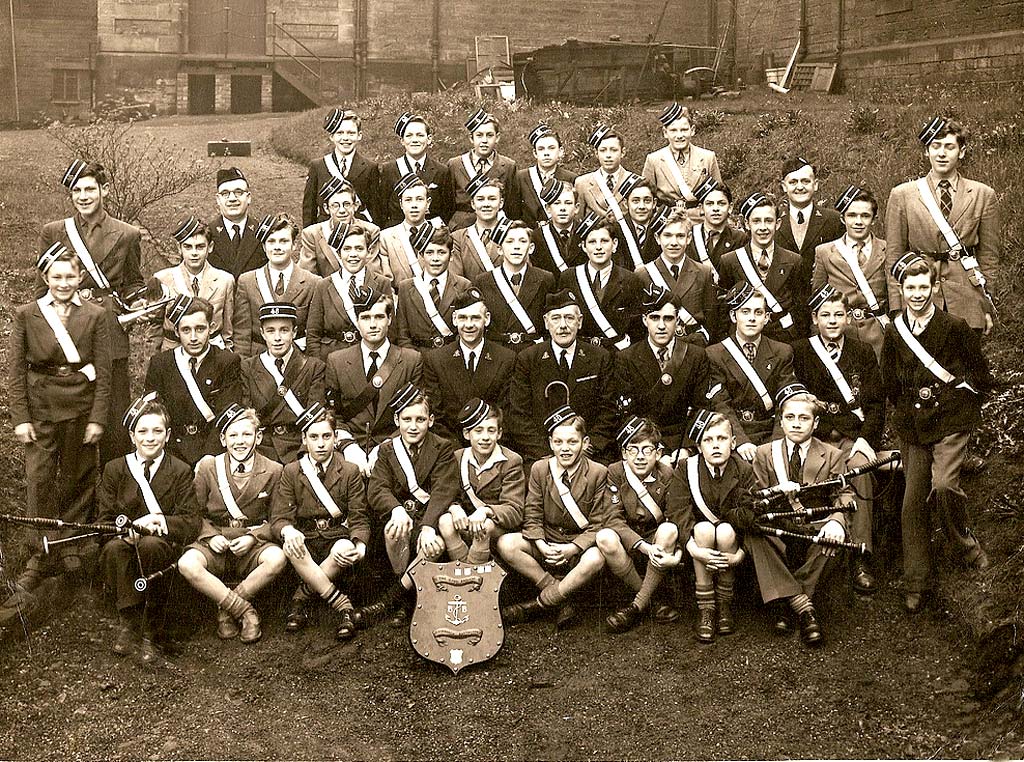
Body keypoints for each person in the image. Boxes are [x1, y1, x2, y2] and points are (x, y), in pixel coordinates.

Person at [881, 253, 994, 613]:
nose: (917, 294)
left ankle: (967, 548)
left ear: (933, 288)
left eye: (923, 287)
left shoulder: (955, 326)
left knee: (943, 486)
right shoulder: (894, 331)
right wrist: (905, 412)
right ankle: (917, 580)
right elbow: (890, 382)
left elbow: (981, 376)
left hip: (950, 422)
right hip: (914, 428)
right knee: (911, 504)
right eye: (909, 288)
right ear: (901, 290)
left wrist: (959, 400)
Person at [9, 244, 111, 590]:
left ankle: (71, 544)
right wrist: (20, 417)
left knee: (78, 475)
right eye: (57, 276)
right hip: (41, 407)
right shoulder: (27, 313)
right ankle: (40, 550)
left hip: (80, 404)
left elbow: (105, 371)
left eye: (70, 276)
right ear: (45, 278)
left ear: (80, 277)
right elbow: (15, 371)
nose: (64, 283)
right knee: (39, 478)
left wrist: (97, 418)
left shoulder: (95, 315)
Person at [38, 160, 142, 464]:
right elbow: (39, 289)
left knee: (113, 420)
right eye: (76, 190)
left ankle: (115, 495)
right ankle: (76, 502)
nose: (83, 196)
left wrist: (136, 304)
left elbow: (133, 282)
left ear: (104, 190)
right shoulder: (54, 232)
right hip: (66, 327)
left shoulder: (127, 234)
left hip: (108, 328)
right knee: (73, 423)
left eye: (89, 189)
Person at [793, 285, 884, 594]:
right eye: (825, 315)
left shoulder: (862, 351)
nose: (832, 321)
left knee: (860, 470)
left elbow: (874, 404)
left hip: (852, 437)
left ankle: (860, 555)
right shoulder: (801, 352)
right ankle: (809, 556)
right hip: (815, 439)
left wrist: (865, 439)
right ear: (815, 319)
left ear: (848, 318)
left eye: (839, 314)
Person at [748, 384, 854, 647]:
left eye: (804, 418)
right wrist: (775, 491)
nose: (796, 424)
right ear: (781, 421)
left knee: (831, 541)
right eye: (790, 418)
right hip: (778, 526)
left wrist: (836, 522)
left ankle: (785, 601)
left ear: (816, 422)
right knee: (755, 535)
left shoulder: (832, 454)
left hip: (813, 526)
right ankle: (805, 610)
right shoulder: (764, 453)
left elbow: (845, 494)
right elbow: (754, 498)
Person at [98, 395, 201, 663]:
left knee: (151, 545)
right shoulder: (115, 469)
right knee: (114, 549)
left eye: (157, 431)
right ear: (132, 436)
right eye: (142, 431)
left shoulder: (180, 470)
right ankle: (130, 622)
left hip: (162, 545)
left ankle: (151, 630)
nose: (150, 438)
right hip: (124, 540)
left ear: (167, 435)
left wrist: (160, 522)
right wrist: (123, 530)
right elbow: (103, 520)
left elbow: (191, 521)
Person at [179, 405, 286, 644]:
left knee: (277, 559)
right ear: (222, 439)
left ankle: (227, 608)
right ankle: (244, 610)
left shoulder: (274, 470)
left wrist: (253, 537)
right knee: (187, 564)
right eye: (233, 435)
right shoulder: (208, 467)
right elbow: (192, 511)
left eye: (247, 434)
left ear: (258, 437)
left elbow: (278, 518)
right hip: (215, 538)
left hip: (251, 541)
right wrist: (208, 536)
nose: (240, 441)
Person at [885, 116, 1000, 336]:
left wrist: (985, 306)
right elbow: (894, 255)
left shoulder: (983, 195)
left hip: (967, 298)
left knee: (965, 366)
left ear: (962, 152)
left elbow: (989, 257)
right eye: (935, 146)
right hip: (919, 296)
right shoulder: (903, 194)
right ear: (926, 152)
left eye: (949, 147)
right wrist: (897, 306)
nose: (941, 153)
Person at [497, 406, 608, 629]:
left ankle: (540, 604)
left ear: (585, 443)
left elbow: (599, 524)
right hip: (547, 539)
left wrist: (573, 548)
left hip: (579, 544)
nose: (565, 449)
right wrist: (540, 543)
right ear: (550, 443)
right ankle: (557, 590)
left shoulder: (598, 472)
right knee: (506, 544)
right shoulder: (540, 469)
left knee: (597, 558)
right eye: (558, 442)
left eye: (572, 442)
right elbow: (533, 514)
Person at [359, 384, 460, 626]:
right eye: (407, 419)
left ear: (431, 420)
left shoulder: (443, 447)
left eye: (420, 419)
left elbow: (443, 490)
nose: (413, 426)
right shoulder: (387, 450)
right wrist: (396, 509)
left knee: (433, 546)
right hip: (401, 515)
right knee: (394, 531)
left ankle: (397, 598)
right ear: (397, 419)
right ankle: (405, 598)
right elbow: (378, 488)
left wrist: (428, 526)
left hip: (428, 515)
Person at [271, 402, 370, 641]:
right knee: (290, 546)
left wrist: (360, 545)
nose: (321, 443)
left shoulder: (349, 470)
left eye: (327, 436)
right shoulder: (292, 471)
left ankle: (300, 598)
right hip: (306, 538)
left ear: (336, 438)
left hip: (336, 536)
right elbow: (279, 517)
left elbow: (358, 516)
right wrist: (287, 530)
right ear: (304, 439)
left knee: (345, 548)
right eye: (314, 437)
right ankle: (343, 605)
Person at [667, 410, 755, 643]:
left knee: (725, 530)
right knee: (704, 529)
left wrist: (741, 554)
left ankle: (724, 603)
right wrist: (693, 548)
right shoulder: (687, 468)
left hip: (730, 544)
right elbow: (678, 511)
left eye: (722, 438)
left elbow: (751, 516)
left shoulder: (743, 469)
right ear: (698, 446)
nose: (715, 446)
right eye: (708, 440)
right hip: (700, 542)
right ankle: (706, 608)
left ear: (733, 442)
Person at [507, 290, 617, 463]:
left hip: (590, 455)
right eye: (556, 318)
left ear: (579, 322)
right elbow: (519, 416)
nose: (563, 325)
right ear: (546, 322)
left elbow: (609, 411)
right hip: (541, 455)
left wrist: (587, 448)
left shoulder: (600, 357)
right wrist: (548, 454)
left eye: (569, 318)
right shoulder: (528, 358)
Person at [323, 286, 422, 476]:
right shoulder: (337, 360)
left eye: (379, 317)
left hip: (396, 446)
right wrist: (348, 446)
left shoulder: (411, 360)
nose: (373, 324)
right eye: (366, 318)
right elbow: (332, 413)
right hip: (349, 452)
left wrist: (388, 445)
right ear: (357, 322)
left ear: (390, 319)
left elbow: (414, 413)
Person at [613, 285, 718, 461]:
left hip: (683, 444)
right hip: (644, 447)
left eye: (668, 318)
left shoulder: (696, 355)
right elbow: (626, 414)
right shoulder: (626, 358)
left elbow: (701, 408)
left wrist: (687, 449)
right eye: (655, 318)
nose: (661, 325)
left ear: (677, 321)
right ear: (645, 320)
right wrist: (654, 449)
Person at [598, 418, 684, 634]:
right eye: (633, 449)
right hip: (631, 543)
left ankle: (635, 607)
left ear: (658, 452)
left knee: (669, 529)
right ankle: (651, 599)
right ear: (624, 453)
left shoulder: (667, 474)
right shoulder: (616, 472)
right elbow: (612, 517)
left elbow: (675, 517)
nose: (640, 457)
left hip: (658, 542)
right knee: (605, 537)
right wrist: (643, 547)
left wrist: (677, 555)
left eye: (647, 450)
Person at [144, 296, 242, 467]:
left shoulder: (227, 362)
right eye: (186, 330)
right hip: (172, 449)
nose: (194, 337)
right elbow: (153, 415)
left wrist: (208, 458)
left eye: (200, 329)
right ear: (176, 332)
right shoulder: (161, 364)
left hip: (212, 451)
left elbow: (228, 414)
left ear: (211, 328)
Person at [705, 284, 797, 459]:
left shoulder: (782, 351)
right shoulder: (715, 354)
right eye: (745, 312)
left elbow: (786, 403)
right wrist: (739, 441)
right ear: (733, 316)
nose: (752, 318)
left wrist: (777, 444)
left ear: (767, 317)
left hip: (771, 432)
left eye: (758, 312)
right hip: (734, 433)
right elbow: (720, 404)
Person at [438, 399, 525, 565]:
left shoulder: (511, 461)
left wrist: (486, 511)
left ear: (499, 434)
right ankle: (467, 569)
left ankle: (471, 578)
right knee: (445, 521)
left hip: (496, 528)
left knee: (485, 526)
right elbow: (443, 493)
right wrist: (454, 507)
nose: (485, 437)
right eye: (478, 431)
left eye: (491, 431)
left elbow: (515, 511)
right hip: (466, 525)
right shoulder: (457, 458)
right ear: (466, 434)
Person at [421, 288, 515, 441]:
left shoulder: (505, 359)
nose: (469, 325)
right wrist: (456, 452)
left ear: (487, 319)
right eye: (463, 318)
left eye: (475, 318)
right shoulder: (436, 359)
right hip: (451, 449)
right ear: (454, 319)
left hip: (491, 443)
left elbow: (506, 414)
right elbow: (436, 417)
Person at [240, 302, 326, 464]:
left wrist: (304, 454)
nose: (277, 338)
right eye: (270, 331)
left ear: (294, 332)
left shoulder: (313, 366)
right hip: (263, 448)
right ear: (262, 333)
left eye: (284, 330)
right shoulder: (249, 367)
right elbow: (247, 415)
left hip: (299, 447)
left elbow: (315, 418)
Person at [811, 186, 889, 361]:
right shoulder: (825, 252)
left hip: (879, 333)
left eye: (865, 216)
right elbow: (818, 300)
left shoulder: (888, 250)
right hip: (841, 333)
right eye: (852, 215)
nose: (858, 221)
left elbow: (895, 294)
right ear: (842, 218)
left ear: (874, 220)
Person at [718, 192, 802, 344]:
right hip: (744, 339)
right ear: (746, 224)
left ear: (778, 224)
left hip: (782, 340)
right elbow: (724, 311)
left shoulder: (793, 260)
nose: (763, 227)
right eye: (756, 221)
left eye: (768, 221)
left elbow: (800, 308)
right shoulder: (730, 261)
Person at [775, 157, 845, 334]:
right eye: (793, 182)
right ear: (784, 186)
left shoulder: (834, 221)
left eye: (805, 181)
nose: (800, 186)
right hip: (786, 315)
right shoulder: (774, 224)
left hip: (825, 311)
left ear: (816, 184)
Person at [233, 214, 321, 357]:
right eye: (271, 241)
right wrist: (244, 367)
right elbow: (242, 335)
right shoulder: (248, 281)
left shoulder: (313, 282)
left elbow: (313, 335)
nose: (277, 247)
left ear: (294, 245)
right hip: (258, 361)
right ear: (263, 246)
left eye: (284, 241)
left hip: (297, 359)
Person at [305, 220, 394, 360]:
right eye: (347, 249)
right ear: (339, 253)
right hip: (330, 358)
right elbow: (313, 334)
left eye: (359, 248)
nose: (353, 254)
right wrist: (319, 366)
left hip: (370, 357)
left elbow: (390, 329)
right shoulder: (323, 286)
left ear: (368, 252)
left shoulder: (382, 283)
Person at [150, 215, 235, 353]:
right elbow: (154, 329)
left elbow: (228, 330)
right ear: (179, 248)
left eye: (200, 247)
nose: (194, 253)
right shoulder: (163, 279)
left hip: (212, 351)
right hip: (173, 352)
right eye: (188, 247)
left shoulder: (225, 280)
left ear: (210, 247)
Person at [558, 215, 643, 351]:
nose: (598, 247)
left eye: (604, 241)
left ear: (614, 244)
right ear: (583, 246)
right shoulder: (569, 277)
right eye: (592, 242)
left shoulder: (630, 280)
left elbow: (637, 328)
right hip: (580, 353)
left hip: (616, 353)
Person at [634, 212, 716, 345]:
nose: (674, 243)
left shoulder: (703, 272)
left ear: (689, 238)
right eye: (667, 235)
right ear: (657, 238)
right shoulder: (643, 274)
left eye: (680, 236)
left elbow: (711, 320)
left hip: (693, 348)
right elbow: (638, 324)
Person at [476, 218, 555, 353]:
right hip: (497, 353)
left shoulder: (545, 279)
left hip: (533, 352)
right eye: (510, 241)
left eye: (522, 241)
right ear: (499, 249)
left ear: (531, 248)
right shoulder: (483, 281)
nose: (516, 246)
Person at [394, 224, 472, 350]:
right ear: (422, 255)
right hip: (418, 358)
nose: (435, 258)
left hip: (451, 356)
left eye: (441, 252)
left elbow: (466, 329)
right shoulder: (406, 287)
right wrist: (413, 359)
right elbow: (403, 334)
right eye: (429, 252)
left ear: (451, 256)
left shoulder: (463, 285)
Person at [642, 103, 723, 220]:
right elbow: (645, 196)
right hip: (667, 220)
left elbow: (719, 193)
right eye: (673, 130)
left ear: (692, 130)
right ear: (665, 133)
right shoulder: (654, 159)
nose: (679, 135)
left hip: (700, 219)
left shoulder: (708, 157)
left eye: (684, 130)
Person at [302, 108, 379, 227]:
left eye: (351, 133)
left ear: (359, 135)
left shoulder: (370, 167)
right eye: (340, 133)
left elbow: (375, 210)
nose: (345, 138)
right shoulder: (318, 166)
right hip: (325, 232)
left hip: (358, 233)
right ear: (331, 136)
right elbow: (309, 209)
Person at [378, 112, 454, 226]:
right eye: (409, 135)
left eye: (420, 135)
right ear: (402, 140)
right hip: (399, 235)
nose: (414, 140)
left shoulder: (442, 171)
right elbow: (382, 211)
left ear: (429, 139)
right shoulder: (389, 170)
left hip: (431, 235)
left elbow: (448, 209)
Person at [447, 108, 518, 229]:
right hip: (462, 227)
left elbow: (511, 206)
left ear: (497, 137)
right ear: (471, 138)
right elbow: (447, 203)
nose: (484, 140)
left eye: (489, 135)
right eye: (479, 135)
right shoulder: (455, 164)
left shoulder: (508, 166)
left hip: (495, 226)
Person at [298, 177, 382, 278]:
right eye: (335, 205)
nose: (342, 210)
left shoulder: (371, 231)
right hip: (325, 291)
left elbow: (373, 273)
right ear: (326, 208)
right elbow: (308, 276)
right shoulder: (312, 234)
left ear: (355, 206)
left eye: (346, 204)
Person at [377, 174, 444, 284]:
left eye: (419, 199)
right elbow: (386, 281)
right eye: (408, 200)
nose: (414, 205)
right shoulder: (386, 237)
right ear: (401, 204)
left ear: (428, 203)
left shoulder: (439, 233)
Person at [208, 167, 267, 279]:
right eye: (225, 193)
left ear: (248, 197)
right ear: (218, 199)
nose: (232, 199)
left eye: (238, 192)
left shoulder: (262, 234)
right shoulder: (207, 234)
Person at [515, 123, 577, 227]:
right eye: (541, 149)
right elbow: (514, 213)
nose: (546, 153)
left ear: (560, 151)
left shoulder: (572, 178)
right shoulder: (521, 177)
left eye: (551, 148)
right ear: (535, 153)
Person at [449, 174, 505, 280]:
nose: (486, 204)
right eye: (480, 199)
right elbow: (457, 281)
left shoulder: (514, 233)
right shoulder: (458, 238)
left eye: (492, 199)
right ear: (473, 204)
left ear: (501, 203)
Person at [574, 125, 631, 219]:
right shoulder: (582, 183)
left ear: (623, 152)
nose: (608, 155)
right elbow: (579, 220)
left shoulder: (633, 181)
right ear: (596, 153)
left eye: (614, 150)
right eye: (603, 150)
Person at [531, 179, 586, 275]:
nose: (562, 208)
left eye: (568, 203)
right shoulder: (537, 237)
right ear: (548, 209)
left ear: (576, 208)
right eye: (557, 203)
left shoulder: (586, 233)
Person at [612, 174, 661, 270]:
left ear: (654, 203)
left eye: (647, 200)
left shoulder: (661, 228)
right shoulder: (616, 229)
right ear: (626, 204)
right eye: (635, 201)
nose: (641, 206)